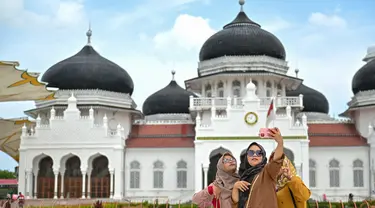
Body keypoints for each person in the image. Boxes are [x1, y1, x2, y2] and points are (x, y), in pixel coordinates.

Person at [232, 128, 284, 208]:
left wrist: (280, 143)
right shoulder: (243, 176)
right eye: (251, 152)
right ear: (247, 157)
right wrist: (235, 187)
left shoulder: (267, 172)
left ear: (263, 157)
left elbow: (276, 161)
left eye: (259, 153)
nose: (255, 155)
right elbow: (236, 203)